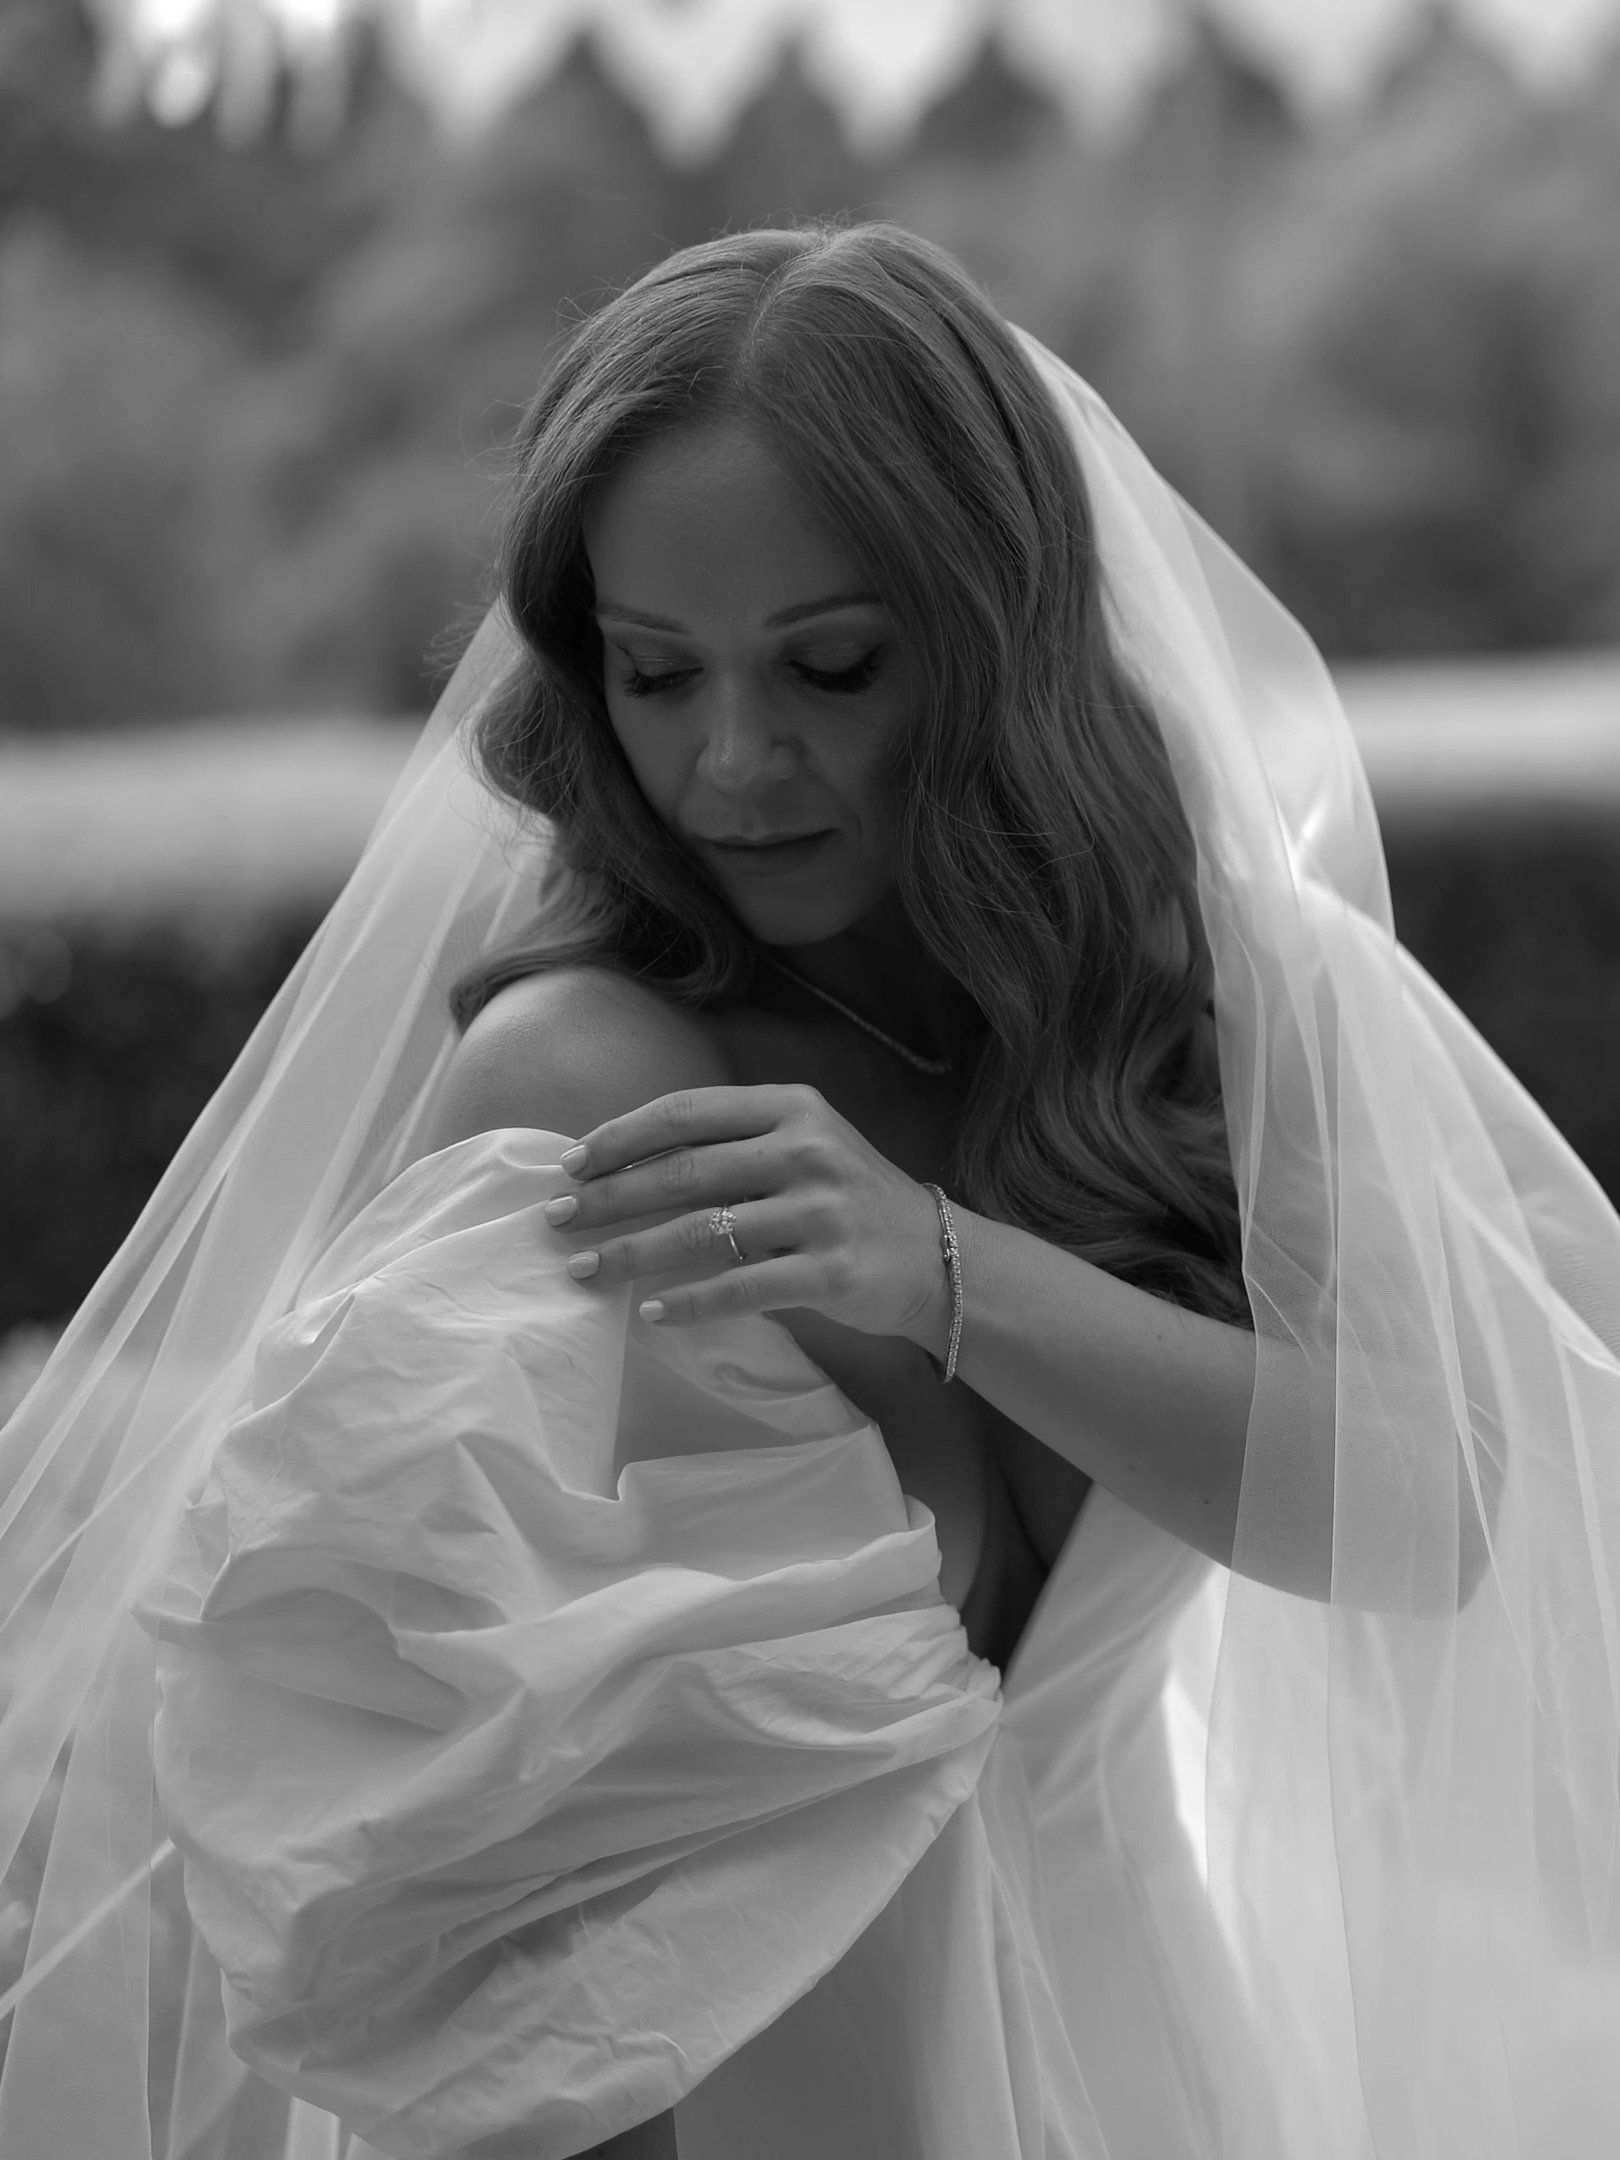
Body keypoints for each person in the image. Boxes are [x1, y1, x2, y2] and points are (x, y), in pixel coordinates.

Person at [2, 222, 1619, 2160]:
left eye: (832, 668)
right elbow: (445, 1859)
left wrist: (942, 1272)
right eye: (656, 676)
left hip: (1153, 2068)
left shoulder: (1236, 1005)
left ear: (995, 631)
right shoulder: (579, 1090)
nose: (733, 763)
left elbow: (1431, 1515)